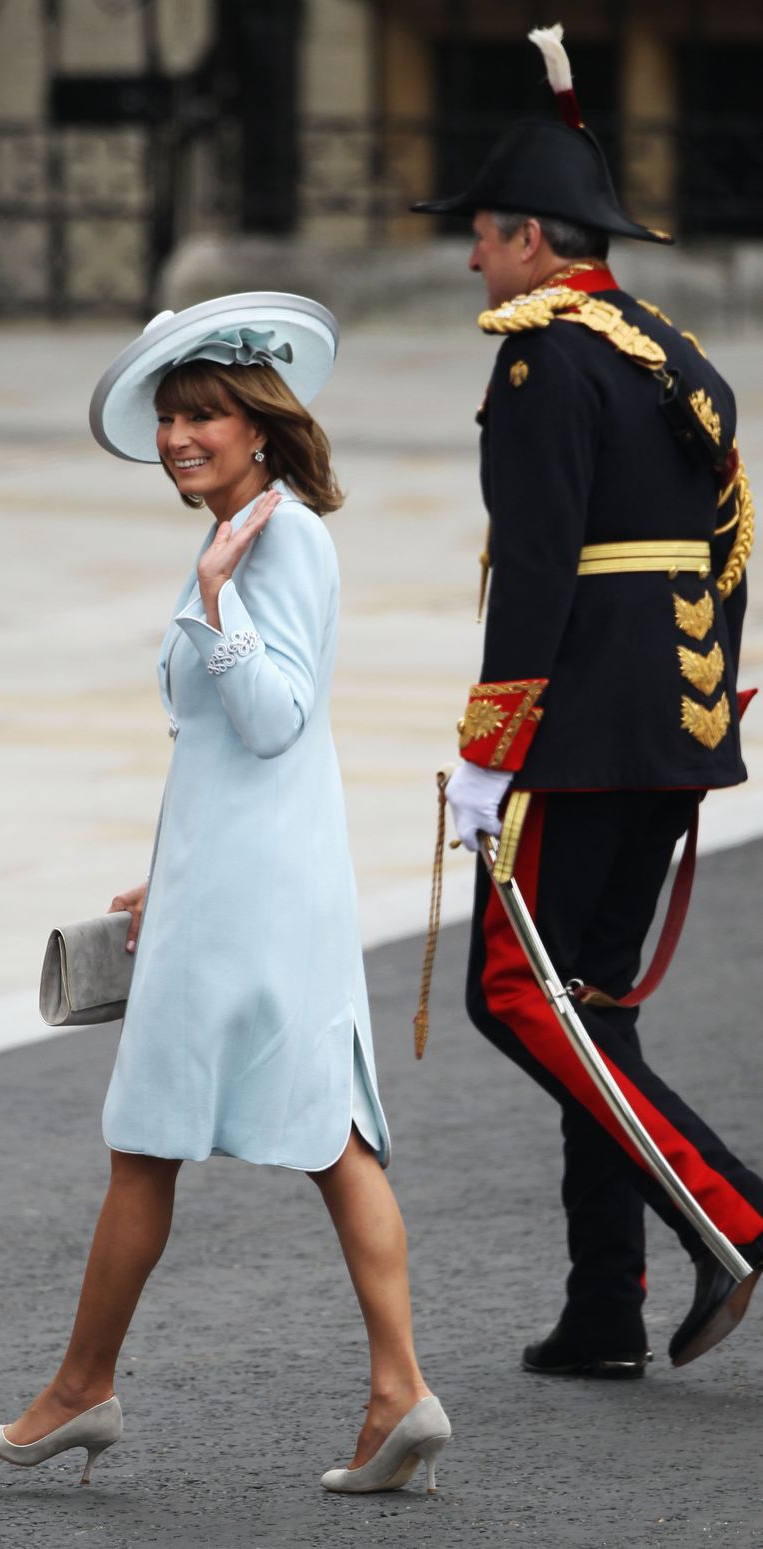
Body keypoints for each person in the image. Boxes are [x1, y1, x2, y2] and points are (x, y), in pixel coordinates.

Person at [0, 294, 450, 1492]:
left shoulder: (271, 541)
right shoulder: (250, 529)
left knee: (148, 1141)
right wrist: (168, 860)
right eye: (172, 416)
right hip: (249, 872)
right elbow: (223, 751)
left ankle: (81, 1390)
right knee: (332, 1136)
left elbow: (275, 719)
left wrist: (222, 593)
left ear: (260, 427)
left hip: (249, 893)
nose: (180, 436)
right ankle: (399, 1396)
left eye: (204, 416)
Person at [412, 26, 762, 1377]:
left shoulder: (540, 355)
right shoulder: (664, 344)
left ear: (538, 242)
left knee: (518, 993)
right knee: (591, 1003)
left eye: (487, 237)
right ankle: (604, 1304)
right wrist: (709, 700)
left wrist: (493, 748)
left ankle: (731, 1213)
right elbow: (732, 535)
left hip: (584, 730)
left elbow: (539, 565)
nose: (472, 259)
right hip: (675, 719)